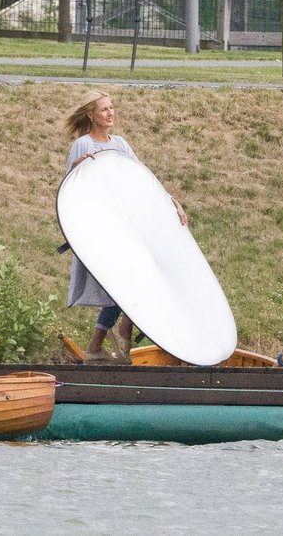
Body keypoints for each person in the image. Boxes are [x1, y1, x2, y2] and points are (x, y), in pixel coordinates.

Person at [62, 90, 187, 364]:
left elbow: (144, 180)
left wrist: (172, 202)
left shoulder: (119, 144)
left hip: (127, 227)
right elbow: (69, 191)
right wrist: (75, 168)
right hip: (103, 230)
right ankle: (120, 331)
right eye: (104, 109)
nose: (110, 112)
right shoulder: (83, 145)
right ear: (91, 115)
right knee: (123, 285)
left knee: (130, 283)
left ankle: (99, 345)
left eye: (111, 107)